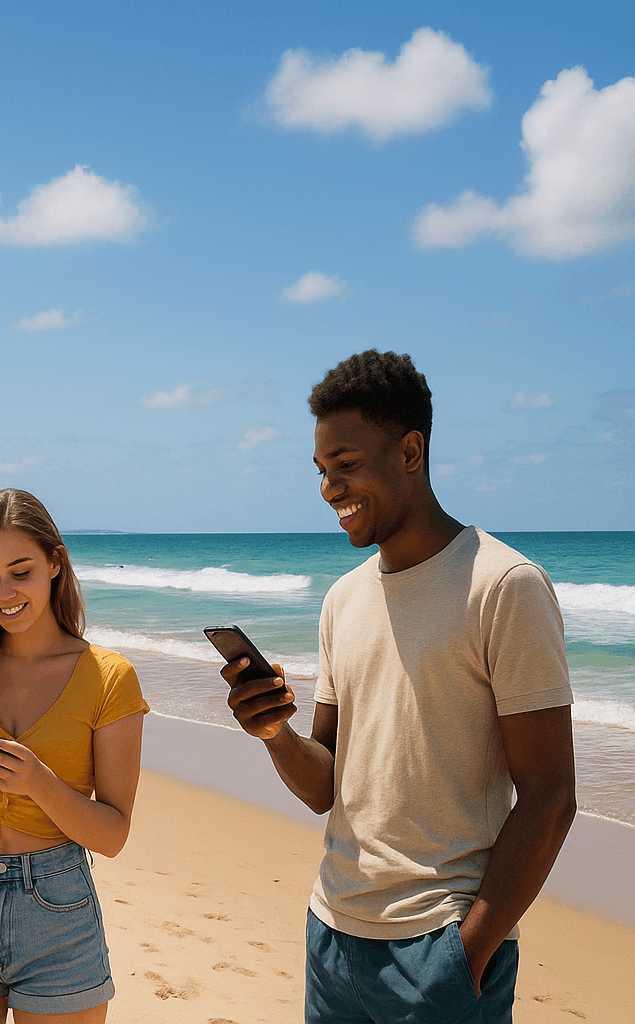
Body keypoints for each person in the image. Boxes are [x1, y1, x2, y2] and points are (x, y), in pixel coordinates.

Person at [224, 351, 576, 1023]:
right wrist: (273, 734)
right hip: (331, 936)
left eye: (347, 465)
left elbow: (552, 794)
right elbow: (325, 787)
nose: (330, 488)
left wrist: (465, 957)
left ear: (411, 451)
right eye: (322, 472)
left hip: (439, 951)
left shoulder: (503, 586)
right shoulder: (341, 600)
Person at [0, 488, 147, 1023]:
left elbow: (112, 836)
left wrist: (39, 782)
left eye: (21, 571)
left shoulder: (110, 678)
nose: (5, 592)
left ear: (54, 564)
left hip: (58, 912)